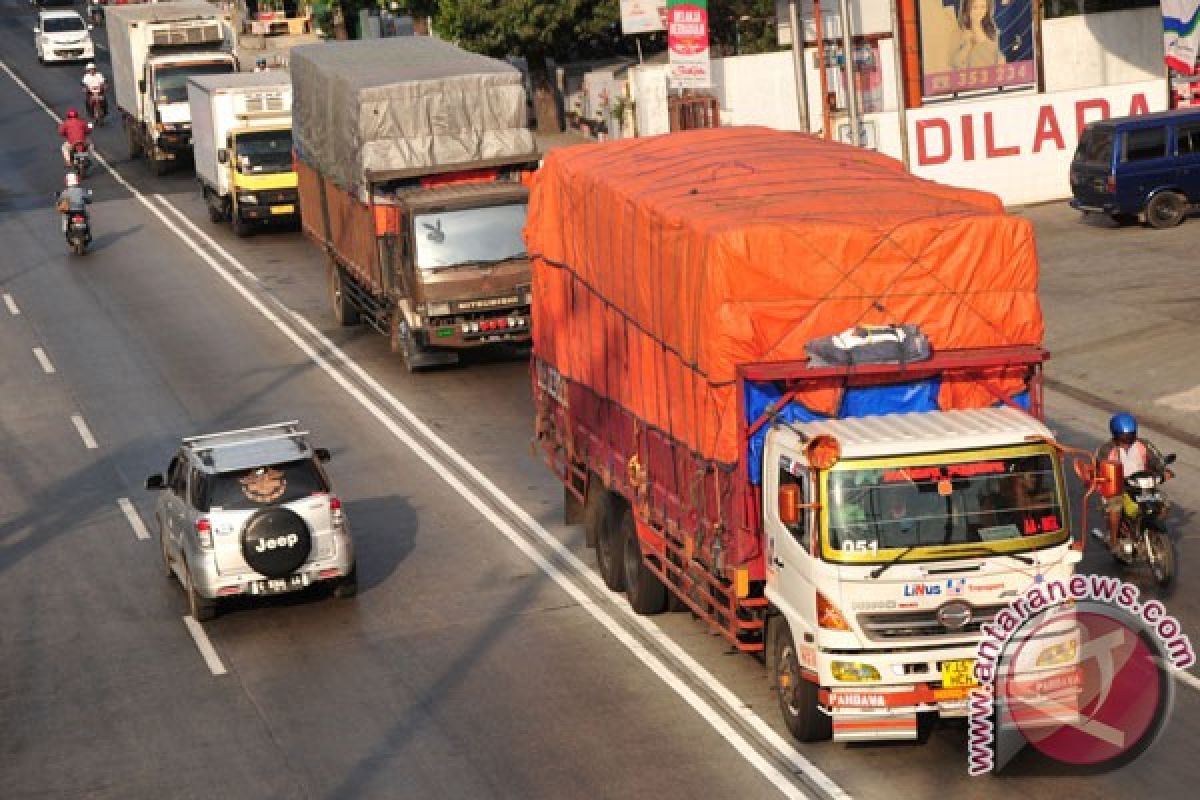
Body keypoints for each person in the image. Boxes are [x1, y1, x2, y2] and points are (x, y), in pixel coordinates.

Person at [1094, 412, 1169, 555]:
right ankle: (1114, 541)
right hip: (1117, 488)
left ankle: (1151, 532)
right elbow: (1099, 469)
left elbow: (1157, 461)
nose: (1127, 438)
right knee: (1115, 509)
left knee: (1164, 505)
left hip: (1142, 485)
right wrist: (1099, 479)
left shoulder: (1144, 444)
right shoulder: (1105, 450)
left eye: (1130, 434)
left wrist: (1163, 471)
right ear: (1115, 434)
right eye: (1123, 435)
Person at [949, 0, 1005, 70]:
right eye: (975, 7)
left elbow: (996, 52)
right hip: (973, 78)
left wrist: (1001, 58)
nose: (979, 12)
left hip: (992, 76)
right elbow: (955, 63)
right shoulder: (960, 32)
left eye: (983, 7)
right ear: (967, 9)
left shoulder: (991, 28)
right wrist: (967, 46)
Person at [55, 171, 91, 237]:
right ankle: (88, 231)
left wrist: (59, 202)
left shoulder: (65, 192)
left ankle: (65, 229)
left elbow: (60, 200)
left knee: (65, 217)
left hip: (70, 212)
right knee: (87, 217)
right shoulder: (81, 190)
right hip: (81, 211)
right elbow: (88, 199)